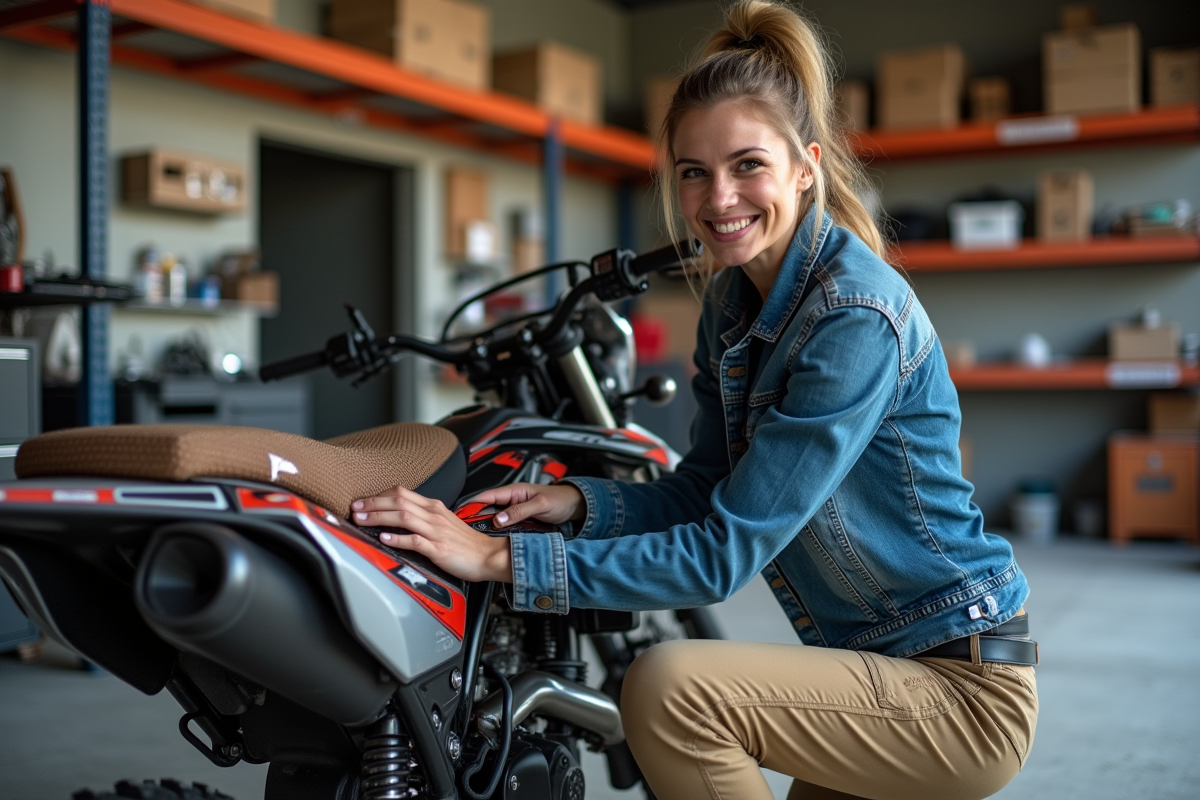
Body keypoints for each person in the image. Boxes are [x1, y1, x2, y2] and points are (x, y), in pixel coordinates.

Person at [350, 2, 1038, 798]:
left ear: (805, 165)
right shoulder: (732, 304)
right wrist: (575, 504)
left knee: (670, 689)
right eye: (694, 172)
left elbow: (723, 552)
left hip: (960, 688)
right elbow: (704, 486)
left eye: (748, 165)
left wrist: (498, 560)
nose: (719, 200)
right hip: (874, 668)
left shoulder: (855, 317)